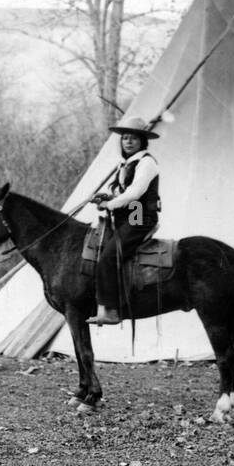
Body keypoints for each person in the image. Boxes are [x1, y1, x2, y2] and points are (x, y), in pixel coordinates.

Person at [87, 116, 161, 326]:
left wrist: (111, 204)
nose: (128, 142)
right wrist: (107, 198)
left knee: (109, 257)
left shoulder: (147, 163)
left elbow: (135, 193)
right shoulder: (125, 164)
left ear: (142, 142)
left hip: (139, 217)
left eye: (133, 139)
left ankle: (110, 310)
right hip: (125, 217)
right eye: (125, 138)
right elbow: (122, 192)